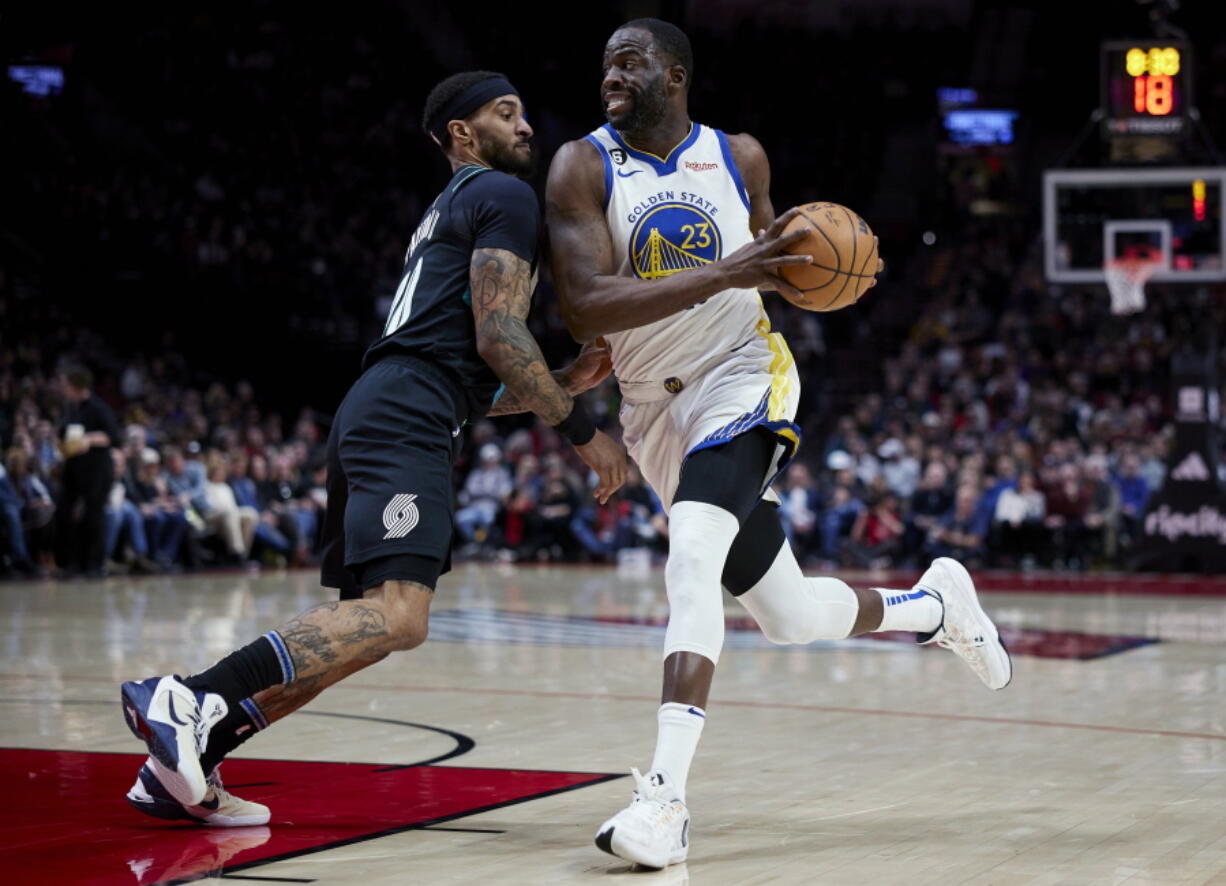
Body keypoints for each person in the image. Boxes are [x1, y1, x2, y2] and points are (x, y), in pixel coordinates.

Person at [545, 18, 1011, 868]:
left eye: (630, 61)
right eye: (605, 60)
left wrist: (816, 270)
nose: (612, 73)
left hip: (742, 379)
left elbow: (781, 273)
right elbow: (584, 305)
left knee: (690, 561)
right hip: (652, 410)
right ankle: (936, 605)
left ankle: (664, 804)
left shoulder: (739, 156)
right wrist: (725, 273)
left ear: (674, 75)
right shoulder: (582, 164)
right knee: (790, 617)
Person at [119, 70, 625, 827]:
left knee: (364, 630)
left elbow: (476, 377)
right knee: (399, 617)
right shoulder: (506, 196)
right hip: (404, 412)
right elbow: (496, 336)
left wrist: (556, 378)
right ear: (462, 133)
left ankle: (180, 766)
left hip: (394, 405)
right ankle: (190, 695)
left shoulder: (452, 209)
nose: (526, 126)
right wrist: (586, 432)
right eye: (505, 112)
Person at [55, 366, 121, 578]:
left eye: (66, 385)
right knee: (64, 512)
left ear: (76, 387)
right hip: (74, 468)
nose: (63, 389)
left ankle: (95, 564)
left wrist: (89, 439)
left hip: (97, 470)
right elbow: (62, 433)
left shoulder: (98, 407)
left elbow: (113, 437)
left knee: (94, 516)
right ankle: (70, 563)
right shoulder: (70, 407)